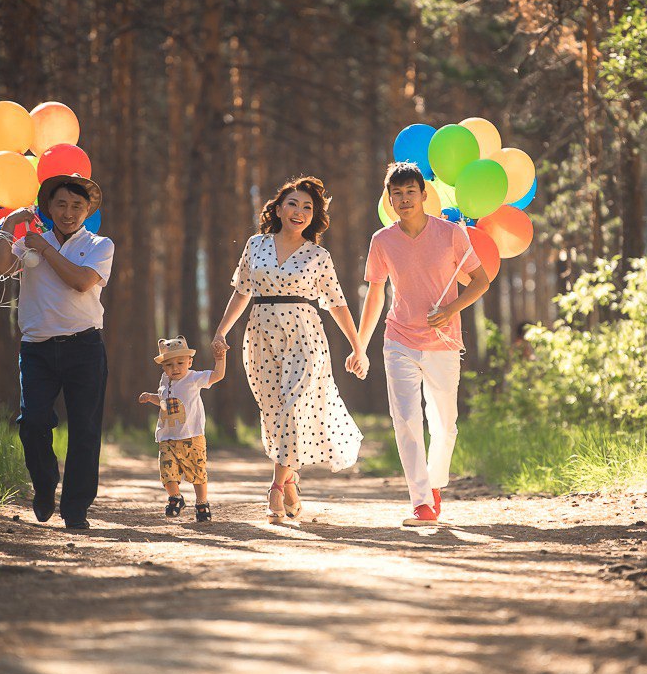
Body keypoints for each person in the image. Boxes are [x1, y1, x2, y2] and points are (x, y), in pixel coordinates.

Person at [212, 175, 366, 524]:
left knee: (295, 406)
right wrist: (222, 330)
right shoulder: (255, 244)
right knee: (274, 412)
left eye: (308, 207)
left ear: (314, 217)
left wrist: (358, 348)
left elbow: (338, 303)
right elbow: (242, 290)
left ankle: (275, 490)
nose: (299, 212)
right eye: (293, 204)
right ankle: (291, 480)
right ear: (278, 208)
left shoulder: (319, 255)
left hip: (305, 336)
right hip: (261, 334)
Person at [356, 162, 490, 526]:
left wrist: (451, 309)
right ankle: (420, 500)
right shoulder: (382, 241)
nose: (404, 199)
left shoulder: (450, 234)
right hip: (398, 339)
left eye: (410, 192)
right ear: (389, 198)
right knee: (406, 420)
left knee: (445, 424)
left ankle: (434, 484)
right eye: (396, 194)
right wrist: (360, 345)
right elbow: (375, 295)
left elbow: (481, 280)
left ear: (424, 195)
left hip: (443, 342)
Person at [0, 173, 114, 531]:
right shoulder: (29, 241)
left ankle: (76, 510)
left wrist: (44, 250)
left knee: (85, 431)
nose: (69, 212)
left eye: (77, 205)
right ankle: (44, 487)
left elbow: (80, 282)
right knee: (32, 423)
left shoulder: (99, 245)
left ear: (88, 210)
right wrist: (8, 224)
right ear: (48, 207)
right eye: (61, 204)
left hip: (85, 347)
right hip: (36, 350)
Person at [138, 336, 225, 523]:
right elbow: (164, 402)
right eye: (169, 365)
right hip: (167, 436)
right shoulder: (164, 380)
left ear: (189, 361)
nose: (175, 368)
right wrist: (150, 397)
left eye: (180, 363)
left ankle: (202, 502)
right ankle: (175, 497)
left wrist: (220, 359)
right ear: (163, 367)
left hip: (191, 436)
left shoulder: (193, 378)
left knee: (197, 471)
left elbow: (218, 376)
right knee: (167, 471)